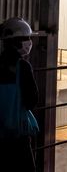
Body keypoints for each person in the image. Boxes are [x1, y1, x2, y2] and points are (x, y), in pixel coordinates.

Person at [0, 17, 39, 172]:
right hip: (17, 133)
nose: (29, 42)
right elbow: (31, 101)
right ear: (15, 41)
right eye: (26, 38)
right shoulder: (23, 66)